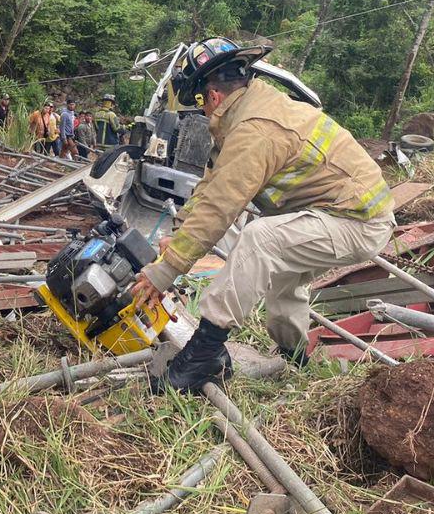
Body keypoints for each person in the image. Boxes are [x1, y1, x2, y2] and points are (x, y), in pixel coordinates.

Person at [131, 37, 394, 392]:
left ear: (212, 96)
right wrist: (177, 238)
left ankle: (204, 353)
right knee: (284, 283)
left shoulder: (255, 128)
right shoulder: (248, 111)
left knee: (261, 239)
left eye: (200, 104)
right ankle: (295, 358)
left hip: (358, 220)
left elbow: (221, 206)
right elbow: (211, 187)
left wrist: (166, 271)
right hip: (331, 212)